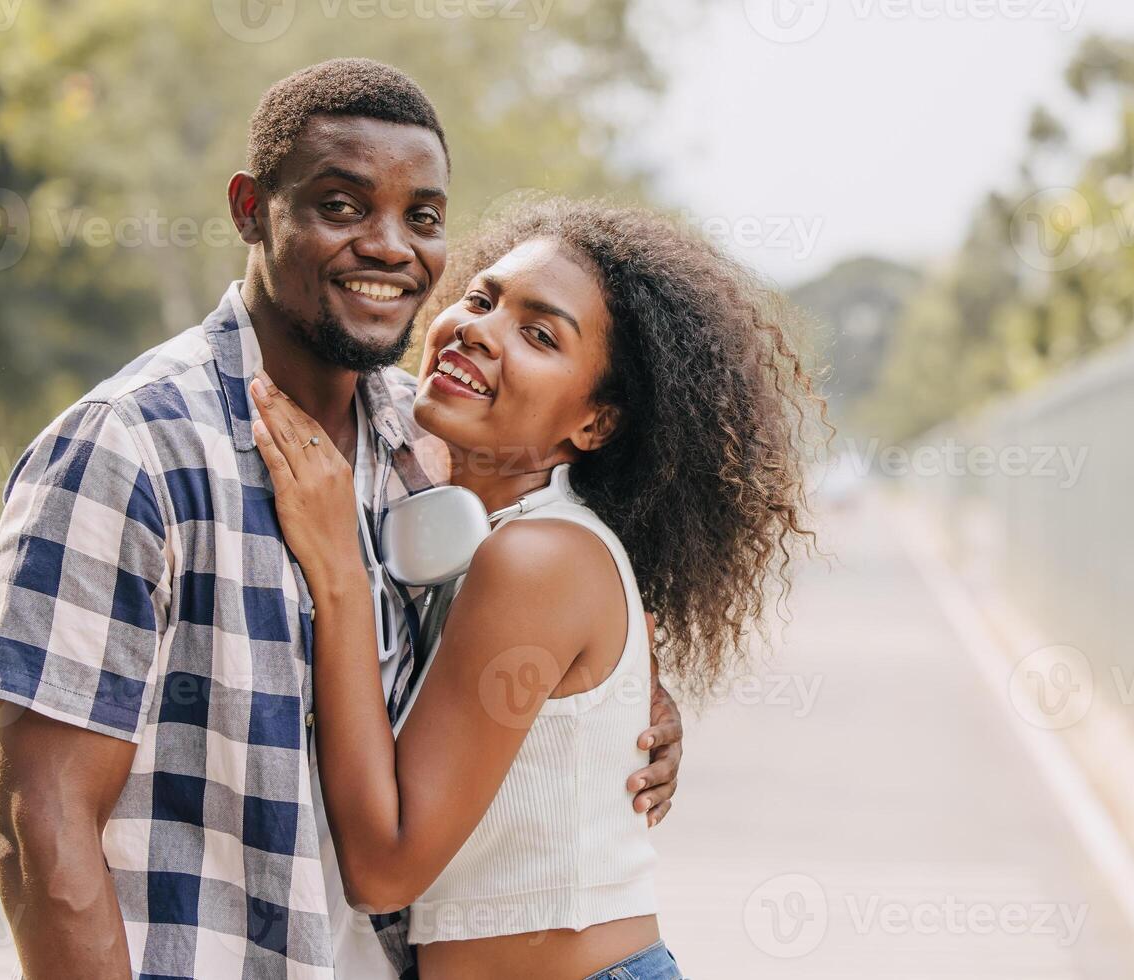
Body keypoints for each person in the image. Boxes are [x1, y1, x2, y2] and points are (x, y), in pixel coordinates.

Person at [0, 60, 683, 980]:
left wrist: (632, 708)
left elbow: (523, 652)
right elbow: (42, 820)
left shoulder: (421, 445)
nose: (391, 247)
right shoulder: (131, 449)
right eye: (341, 206)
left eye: (421, 218)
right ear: (250, 210)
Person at [250, 198, 821, 979]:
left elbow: (385, 869)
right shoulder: (473, 521)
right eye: (481, 299)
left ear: (595, 424)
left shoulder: (537, 558)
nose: (480, 328)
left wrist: (339, 576)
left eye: (540, 334)